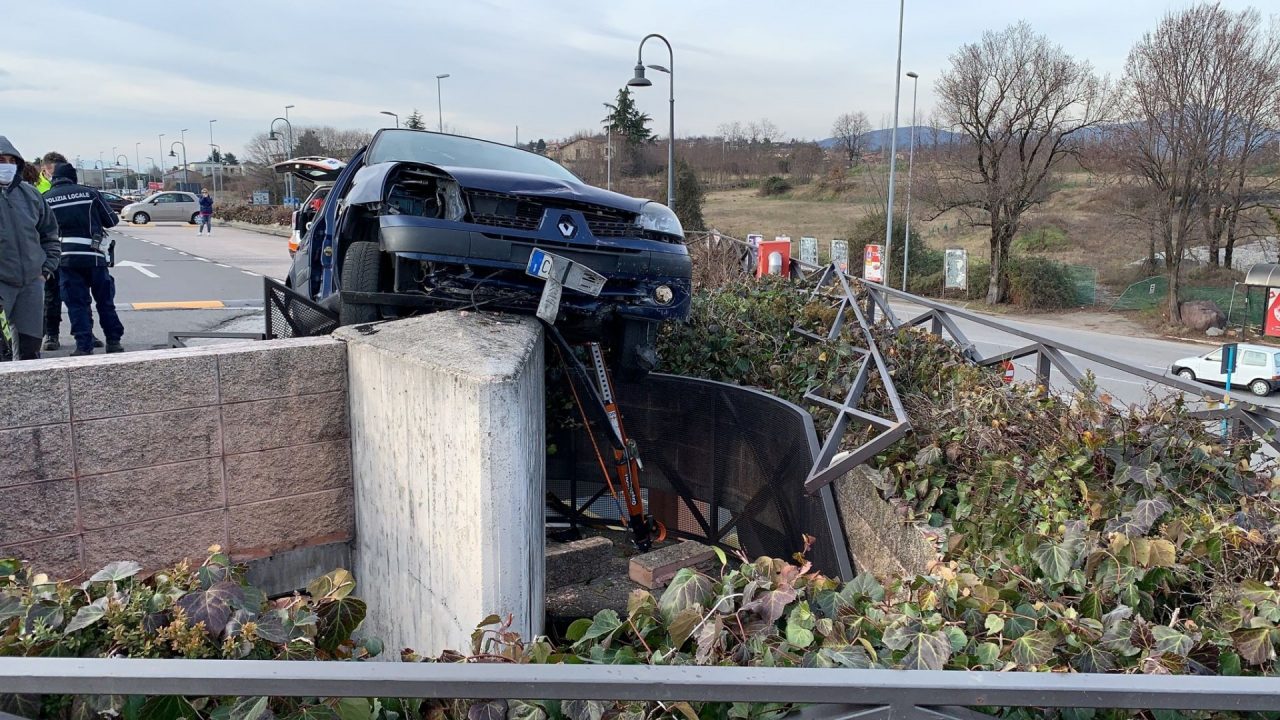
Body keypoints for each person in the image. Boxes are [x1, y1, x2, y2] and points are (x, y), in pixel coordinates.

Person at [42, 162, 123, 355]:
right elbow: (112, 221)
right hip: (94, 257)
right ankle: (113, 341)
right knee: (105, 301)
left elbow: (41, 232)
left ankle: (83, 346)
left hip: (66, 260)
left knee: (76, 304)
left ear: (53, 179)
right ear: (74, 177)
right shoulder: (90, 193)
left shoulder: (45, 199)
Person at [0, 137, 61, 360]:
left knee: (30, 350)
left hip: (31, 284)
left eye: (10, 160)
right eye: (0, 160)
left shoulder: (31, 195)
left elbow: (50, 235)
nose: (6, 165)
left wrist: (45, 270)